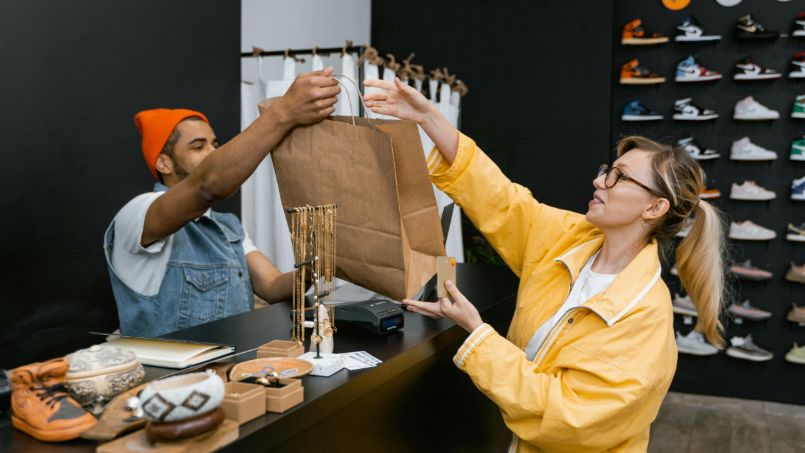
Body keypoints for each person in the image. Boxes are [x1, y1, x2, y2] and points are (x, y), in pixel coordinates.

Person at [364, 77, 726, 452]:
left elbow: (570, 418)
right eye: (607, 169)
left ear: (654, 208)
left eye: (618, 176)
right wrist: (428, 118)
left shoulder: (644, 315)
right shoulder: (572, 238)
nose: (599, 180)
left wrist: (478, 334)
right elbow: (500, 201)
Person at [104, 68, 340, 337]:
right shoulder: (137, 214)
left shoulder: (228, 228)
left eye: (215, 144)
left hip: (230, 372)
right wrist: (283, 112)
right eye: (198, 146)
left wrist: (314, 263)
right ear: (163, 162)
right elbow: (208, 186)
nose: (213, 152)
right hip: (171, 377)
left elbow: (273, 286)